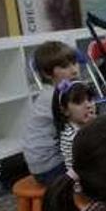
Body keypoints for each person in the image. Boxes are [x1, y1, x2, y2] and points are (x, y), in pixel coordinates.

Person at [23, 41, 79, 185]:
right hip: (50, 169)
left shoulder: (60, 91)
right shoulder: (55, 96)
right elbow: (82, 126)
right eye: (65, 66)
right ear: (48, 74)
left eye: (75, 63)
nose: (74, 70)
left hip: (47, 164)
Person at [51, 80, 97, 172]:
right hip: (84, 181)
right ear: (65, 111)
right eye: (79, 102)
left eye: (90, 99)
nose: (88, 105)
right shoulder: (71, 136)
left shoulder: (82, 125)